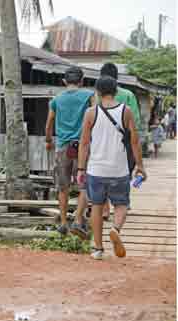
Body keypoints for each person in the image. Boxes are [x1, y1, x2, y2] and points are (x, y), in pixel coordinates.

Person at [77, 76, 147, 260]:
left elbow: (84, 143)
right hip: (119, 169)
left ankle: (98, 249)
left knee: (97, 207)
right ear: (116, 90)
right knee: (122, 205)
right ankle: (115, 229)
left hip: (95, 169)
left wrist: (81, 169)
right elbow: (134, 141)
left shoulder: (90, 113)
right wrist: (140, 166)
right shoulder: (126, 111)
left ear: (98, 92)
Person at [45, 66, 94, 239]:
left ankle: (64, 223)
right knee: (85, 185)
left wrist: (48, 140)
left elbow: (49, 122)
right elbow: (96, 117)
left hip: (63, 146)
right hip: (82, 146)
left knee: (63, 187)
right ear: (81, 81)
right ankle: (78, 220)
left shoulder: (57, 99)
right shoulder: (89, 95)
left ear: (64, 81)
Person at [99, 63, 142, 219]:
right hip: (125, 142)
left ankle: (104, 208)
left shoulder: (97, 97)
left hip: (102, 143)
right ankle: (123, 201)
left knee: (102, 173)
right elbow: (135, 122)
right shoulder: (128, 95)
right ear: (117, 77)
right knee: (124, 172)